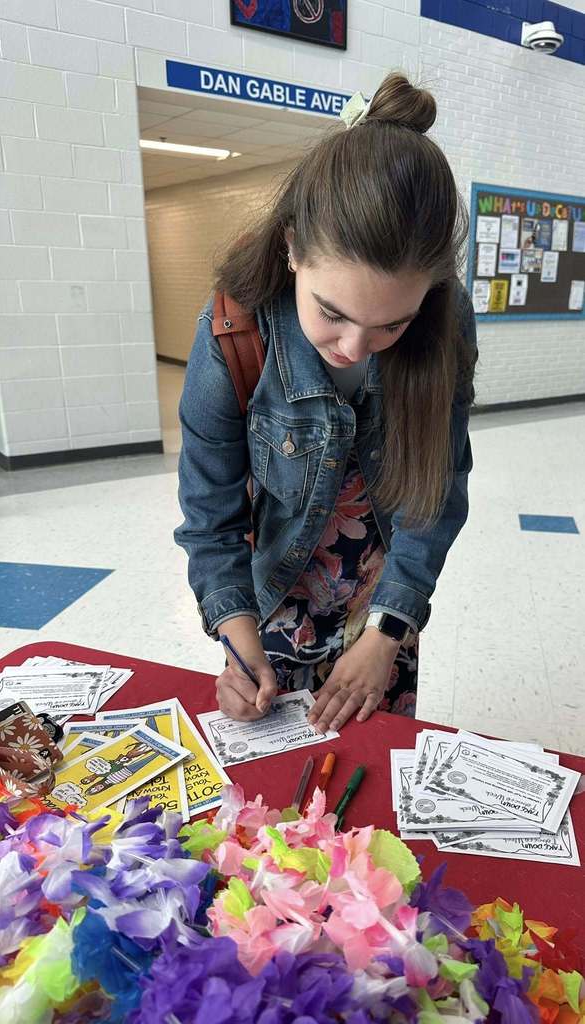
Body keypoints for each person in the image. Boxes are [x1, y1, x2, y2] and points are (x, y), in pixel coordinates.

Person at [175, 72, 478, 736]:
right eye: (333, 314)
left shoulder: (446, 320)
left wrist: (388, 631)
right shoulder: (232, 329)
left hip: (384, 594)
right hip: (274, 593)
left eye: (391, 325)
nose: (356, 347)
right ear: (291, 247)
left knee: (365, 773)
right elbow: (210, 518)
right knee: (273, 782)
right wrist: (236, 638)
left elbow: (435, 492)